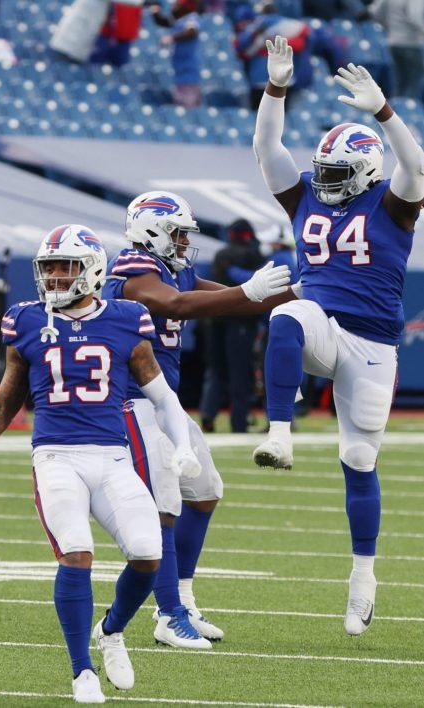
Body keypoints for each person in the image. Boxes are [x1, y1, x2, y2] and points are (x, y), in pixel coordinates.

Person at [0, 224, 204, 700]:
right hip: (55, 458)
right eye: (46, 268)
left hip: (113, 458)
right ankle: (81, 670)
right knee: (76, 552)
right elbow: (5, 405)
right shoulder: (25, 321)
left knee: (149, 555)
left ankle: (110, 630)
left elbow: (162, 395)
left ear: (90, 270)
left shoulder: (128, 317)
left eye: (62, 268)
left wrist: (183, 446)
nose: (51, 278)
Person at [251, 36, 424, 635]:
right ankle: (279, 431)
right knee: (286, 315)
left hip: (372, 346)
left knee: (357, 457)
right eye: (321, 172)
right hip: (322, 325)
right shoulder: (306, 198)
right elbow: (266, 146)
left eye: (336, 174)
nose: (322, 182)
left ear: (367, 172)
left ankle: (363, 577)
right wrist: (275, 88)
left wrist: (384, 111)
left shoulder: (393, 205)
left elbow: (417, 165)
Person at [104, 194, 292, 651]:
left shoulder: (173, 267)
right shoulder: (131, 268)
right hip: (132, 402)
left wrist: (298, 294)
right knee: (165, 505)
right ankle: (167, 615)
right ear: (151, 230)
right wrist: (249, 290)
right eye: (178, 231)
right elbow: (179, 305)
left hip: (163, 401)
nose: (186, 241)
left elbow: (223, 302)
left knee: (204, 492)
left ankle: (183, 600)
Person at [198, 218, 268, 433]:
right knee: (240, 374)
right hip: (242, 322)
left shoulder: (221, 255)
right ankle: (239, 422)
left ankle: (208, 415)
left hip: (215, 319)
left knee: (216, 371)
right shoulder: (254, 255)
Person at [148, 0, 203, 108]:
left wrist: (172, 38)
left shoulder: (191, 18)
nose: (174, 7)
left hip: (188, 68)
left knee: (188, 105)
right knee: (181, 100)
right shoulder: (179, 19)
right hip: (179, 67)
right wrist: (155, 12)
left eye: (177, 5)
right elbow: (162, 22)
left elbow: (191, 32)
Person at [369, 0, 424, 100]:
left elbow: (375, 12)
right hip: (411, 43)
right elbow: (415, 16)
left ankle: (397, 111)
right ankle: (407, 113)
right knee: (412, 84)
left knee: (399, 83)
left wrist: (389, 27)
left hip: (393, 41)